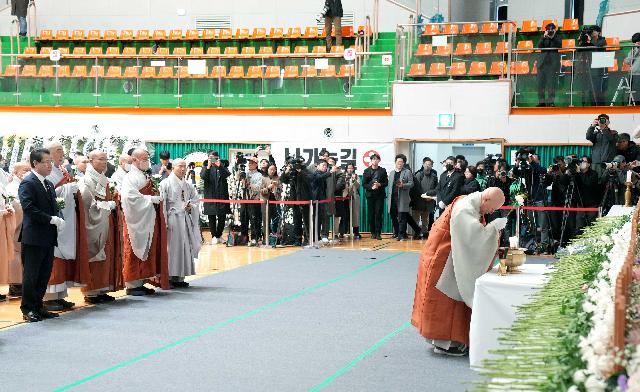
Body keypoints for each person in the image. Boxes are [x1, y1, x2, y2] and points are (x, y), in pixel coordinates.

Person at [411, 188, 506, 356]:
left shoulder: (471, 203)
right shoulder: (465, 208)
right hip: (442, 259)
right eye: (492, 208)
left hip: (447, 255)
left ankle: (451, 341)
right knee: (445, 303)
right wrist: (492, 229)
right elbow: (473, 237)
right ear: (486, 200)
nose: (492, 212)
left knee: (451, 303)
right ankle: (445, 344)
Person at [43, 141, 90, 312]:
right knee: (55, 258)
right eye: (58, 151)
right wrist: (68, 188)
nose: (62, 154)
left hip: (66, 219)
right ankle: (49, 298)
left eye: (62, 150)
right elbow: (48, 194)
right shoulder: (46, 173)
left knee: (62, 259)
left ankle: (60, 295)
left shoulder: (61, 170)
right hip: (54, 220)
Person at [18, 148, 63, 322]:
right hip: (34, 237)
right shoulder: (28, 182)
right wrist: (50, 219)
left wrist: (56, 218)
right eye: (46, 162)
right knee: (31, 275)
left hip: (48, 236)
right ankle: (28, 308)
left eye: (51, 161)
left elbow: (52, 207)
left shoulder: (48, 183)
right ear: (35, 164)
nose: (50, 165)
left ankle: (38, 305)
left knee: (44, 274)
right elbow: (29, 208)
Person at [120, 148, 169, 296]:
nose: (147, 161)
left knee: (149, 248)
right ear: (134, 160)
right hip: (136, 220)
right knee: (134, 249)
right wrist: (149, 199)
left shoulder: (143, 175)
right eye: (143, 158)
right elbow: (129, 198)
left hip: (147, 217)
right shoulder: (130, 178)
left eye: (148, 158)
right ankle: (132, 284)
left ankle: (141, 281)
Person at [78, 151, 121, 304]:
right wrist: (107, 205)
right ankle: (91, 292)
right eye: (101, 159)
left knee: (106, 253)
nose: (104, 162)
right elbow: (86, 204)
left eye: (106, 159)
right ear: (90, 161)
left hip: (104, 220)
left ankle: (102, 289)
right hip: (95, 222)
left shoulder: (102, 178)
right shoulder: (86, 180)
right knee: (95, 254)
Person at [160, 159, 200, 288]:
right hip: (172, 218)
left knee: (184, 246)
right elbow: (163, 204)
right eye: (180, 166)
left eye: (185, 166)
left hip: (184, 218)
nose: (183, 169)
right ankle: (170, 276)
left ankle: (180, 277)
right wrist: (164, 220)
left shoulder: (188, 185)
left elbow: (195, 200)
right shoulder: (165, 183)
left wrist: (191, 207)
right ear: (173, 167)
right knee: (172, 247)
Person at [3, 161, 30, 298]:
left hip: (25, 224)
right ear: (15, 172)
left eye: (29, 169)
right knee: (15, 255)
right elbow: (15, 204)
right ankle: (15, 284)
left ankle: (20, 283)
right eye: (25, 170)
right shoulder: (12, 186)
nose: (27, 172)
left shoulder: (25, 184)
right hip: (17, 224)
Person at [387, 154, 421, 241]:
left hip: (402, 198)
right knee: (394, 216)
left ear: (404, 163)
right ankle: (398, 232)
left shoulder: (407, 172)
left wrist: (403, 185)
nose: (399, 163)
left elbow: (411, 183)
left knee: (402, 216)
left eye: (401, 162)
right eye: (398, 161)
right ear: (395, 162)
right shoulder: (391, 173)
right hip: (392, 198)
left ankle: (401, 235)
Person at [280, 158, 313, 246]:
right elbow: (283, 180)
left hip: (305, 199)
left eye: (298, 164)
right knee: (297, 220)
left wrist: (300, 171)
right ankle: (298, 239)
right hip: (294, 200)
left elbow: (309, 180)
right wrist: (286, 171)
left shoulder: (306, 171)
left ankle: (307, 239)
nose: (296, 166)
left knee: (306, 221)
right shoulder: (292, 172)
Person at [201, 151, 231, 245]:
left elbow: (227, 174)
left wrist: (220, 166)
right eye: (211, 157)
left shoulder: (222, 166)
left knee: (222, 217)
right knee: (211, 217)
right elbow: (203, 176)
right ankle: (214, 236)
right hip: (210, 196)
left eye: (215, 157)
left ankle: (219, 235)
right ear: (208, 158)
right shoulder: (206, 167)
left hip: (222, 196)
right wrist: (209, 166)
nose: (213, 159)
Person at [362, 154, 388, 240]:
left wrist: (379, 184)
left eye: (377, 159)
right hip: (370, 195)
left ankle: (378, 233)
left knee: (378, 214)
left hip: (379, 196)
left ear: (379, 161)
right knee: (371, 215)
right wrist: (371, 187)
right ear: (371, 160)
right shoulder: (366, 171)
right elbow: (364, 184)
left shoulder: (383, 170)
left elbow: (386, 183)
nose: (375, 161)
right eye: (373, 159)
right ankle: (372, 232)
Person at [537, 22, 562, 107]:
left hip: (552, 64)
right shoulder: (543, 37)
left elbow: (559, 45)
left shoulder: (558, 37)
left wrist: (552, 37)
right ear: (546, 30)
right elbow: (539, 46)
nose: (550, 31)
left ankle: (551, 102)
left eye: (552, 29)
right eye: (548, 30)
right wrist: (544, 37)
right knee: (540, 84)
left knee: (551, 84)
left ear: (555, 30)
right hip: (542, 64)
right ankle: (541, 102)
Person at [575, 156, 601, 234]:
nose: (581, 163)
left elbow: (588, 183)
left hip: (591, 205)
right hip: (580, 204)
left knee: (591, 227)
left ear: (589, 164)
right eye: (581, 161)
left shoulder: (594, 174)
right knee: (579, 227)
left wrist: (579, 173)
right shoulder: (576, 174)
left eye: (584, 161)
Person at [242, 157, 264, 246]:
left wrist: (250, 184)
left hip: (254, 199)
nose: (249, 164)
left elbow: (259, 187)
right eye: (249, 163)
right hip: (244, 198)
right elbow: (238, 182)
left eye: (251, 163)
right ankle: (244, 238)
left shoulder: (259, 175)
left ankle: (255, 238)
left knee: (254, 219)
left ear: (256, 164)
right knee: (243, 218)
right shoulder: (245, 174)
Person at [413, 158, 438, 236]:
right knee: (416, 218)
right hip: (419, 200)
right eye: (426, 164)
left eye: (429, 164)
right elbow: (416, 188)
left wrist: (430, 196)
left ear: (432, 166)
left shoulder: (434, 176)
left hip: (429, 201)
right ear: (423, 165)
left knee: (425, 219)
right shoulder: (418, 174)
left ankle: (425, 233)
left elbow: (436, 188)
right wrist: (423, 196)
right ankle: (416, 233)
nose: (427, 166)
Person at [311, 160, 335, 243]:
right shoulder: (315, 174)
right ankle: (316, 236)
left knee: (324, 217)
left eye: (326, 166)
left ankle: (323, 235)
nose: (325, 167)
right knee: (316, 219)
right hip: (315, 200)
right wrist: (330, 172)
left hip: (323, 199)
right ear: (317, 166)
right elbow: (319, 178)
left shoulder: (324, 175)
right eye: (323, 165)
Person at [342, 163, 361, 239]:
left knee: (355, 214)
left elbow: (358, 186)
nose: (350, 169)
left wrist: (354, 180)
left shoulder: (356, 176)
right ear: (346, 169)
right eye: (348, 168)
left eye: (351, 168)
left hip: (354, 197)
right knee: (344, 214)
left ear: (353, 169)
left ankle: (356, 232)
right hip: (344, 197)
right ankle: (343, 231)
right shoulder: (343, 176)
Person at [624, 33, 640, 104]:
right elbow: (627, 61)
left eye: (638, 41)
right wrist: (634, 52)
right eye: (635, 42)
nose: (637, 43)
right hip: (632, 74)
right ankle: (633, 105)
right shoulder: (633, 49)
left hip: (638, 73)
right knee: (633, 93)